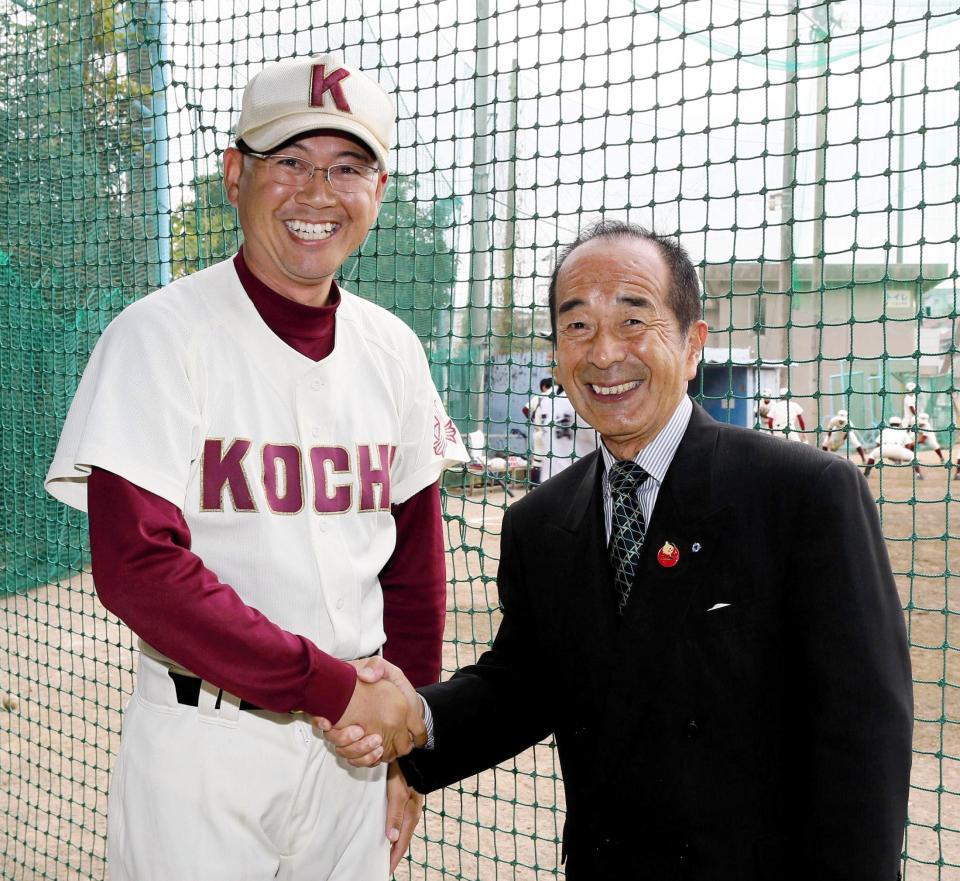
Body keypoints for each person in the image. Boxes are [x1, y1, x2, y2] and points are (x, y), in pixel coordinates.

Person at [322, 220, 913, 880]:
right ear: (555, 354)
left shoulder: (804, 494)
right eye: (576, 327)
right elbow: (522, 685)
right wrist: (419, 719)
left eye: (634, 321)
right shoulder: (540, 522)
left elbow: (865, 737)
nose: (604, 353)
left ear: (693, 346)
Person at [44, 54, 466, 881]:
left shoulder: (395, 351)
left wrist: (404, 750)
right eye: (290, 163)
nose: (318, 193)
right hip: (207, 747)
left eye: (348, 167)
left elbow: (414, 567)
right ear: (236, 172)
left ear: (377, 191)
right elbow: (140, 571)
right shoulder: (158, 335)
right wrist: (333, 688)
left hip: (354, 757)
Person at [523, 377, 553, 484]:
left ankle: (534, 485)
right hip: (552, 433)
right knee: (552, 459)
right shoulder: (557, 397)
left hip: (539, 432)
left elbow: (525, 409)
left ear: (544, 386)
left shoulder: (539, 397)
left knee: (537, 461)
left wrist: (533, 419)